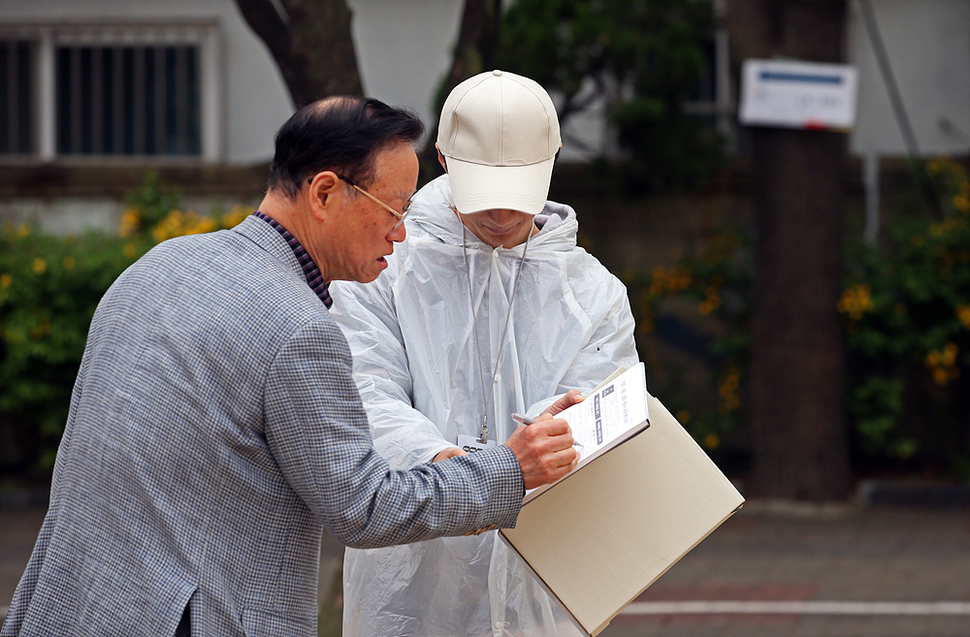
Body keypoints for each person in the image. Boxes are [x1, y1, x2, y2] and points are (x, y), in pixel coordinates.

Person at [0, 96, 579, 637]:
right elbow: (363, 506)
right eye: (394, 210)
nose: (400, 235)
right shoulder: (298, 330)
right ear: (324, 194)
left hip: (68, 603)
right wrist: (508, 469)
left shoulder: (162, 264)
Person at [330, 71, 639, 637]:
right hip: (411, 576)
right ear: (443, 159)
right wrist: (469, 474)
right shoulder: (383, 266)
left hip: (544, 580)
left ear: (553, 159)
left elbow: (603, 406)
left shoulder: (592, 292)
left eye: (514, 195)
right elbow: (362, 392)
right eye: (484, 196)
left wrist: (555, 441)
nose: (499, 216)